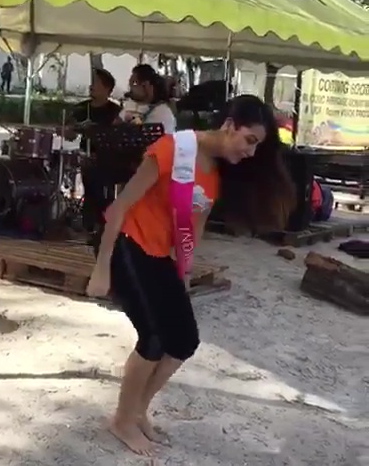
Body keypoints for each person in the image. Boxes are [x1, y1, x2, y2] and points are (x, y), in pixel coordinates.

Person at [87, 95, 296, 456]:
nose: (250, 152)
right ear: (229, 125)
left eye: (257, 147)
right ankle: (121, 420)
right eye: (249, 140)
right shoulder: (173, 149)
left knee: (184, 340)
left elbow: (192, 230)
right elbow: (119, 207)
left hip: (159, 256)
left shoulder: (214, 175)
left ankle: (137, 411)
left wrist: (182, 274)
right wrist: (102, 267)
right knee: (153, 338)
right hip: (126, 243)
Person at [69, 69, 121, 233]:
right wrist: (67, 131)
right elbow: (70, 134)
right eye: (92, 83)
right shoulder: (81, 108)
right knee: (90, 188)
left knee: (104, 192)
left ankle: (103, 224)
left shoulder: (114, 111)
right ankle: (90, 224)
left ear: (107, 89)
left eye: (96, 83)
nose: (91, 86)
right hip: (86, 155)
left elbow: (119, 134)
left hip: (108, 158)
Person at [120, 64, 176, 134]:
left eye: (134, 83)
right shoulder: (131, 104)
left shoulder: (162, 113)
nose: (131, 87)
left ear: (146, 85)